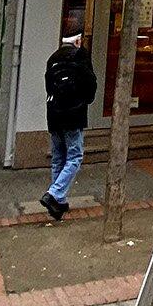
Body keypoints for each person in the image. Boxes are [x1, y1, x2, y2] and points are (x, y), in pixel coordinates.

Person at [41, 33, 97, 220]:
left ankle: (58, 202)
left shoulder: (53, 58)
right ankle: (54, 193)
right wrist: (84, 100)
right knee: (74, 156)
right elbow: (90, 84)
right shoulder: (80, 56)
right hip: (73, 113)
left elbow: (48, 87)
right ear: (78, 41)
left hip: (54, 114)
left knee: (58, 157)